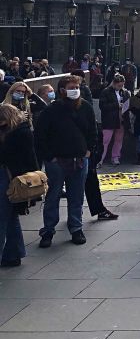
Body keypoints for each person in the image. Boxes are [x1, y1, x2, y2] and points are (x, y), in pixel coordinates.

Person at [35, 75, 98, 248]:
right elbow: (41, 136)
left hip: (79, 159)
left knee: (76, 195)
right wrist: (50, 157)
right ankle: (48, 230)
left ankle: (76, 227)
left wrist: (88, 151)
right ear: (62, 90)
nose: (75, 90)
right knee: (53, 196)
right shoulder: (51, 110)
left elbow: (93, 131)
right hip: (57, 161)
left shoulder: (85, 107)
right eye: (71, 87)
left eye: (77, 86)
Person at [0, 103, 39, 267]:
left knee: (3, 218)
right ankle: (14, 253)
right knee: (10, 217)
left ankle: (12, 253)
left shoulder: (14, 135)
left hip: (8, 177)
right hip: (17, 179)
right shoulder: (23, 131)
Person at [99, 74, 131, 166]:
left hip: (121, 120)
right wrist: (116, 105)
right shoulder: (106, 92)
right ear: (114, 83)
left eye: (122, 85)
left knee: (118, 140)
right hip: (109, 119)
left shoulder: (125, 92)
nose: (121, 87)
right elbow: (102, 106)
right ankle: (100, 158)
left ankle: (115, 157)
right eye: (119, 85)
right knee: (105, 140)